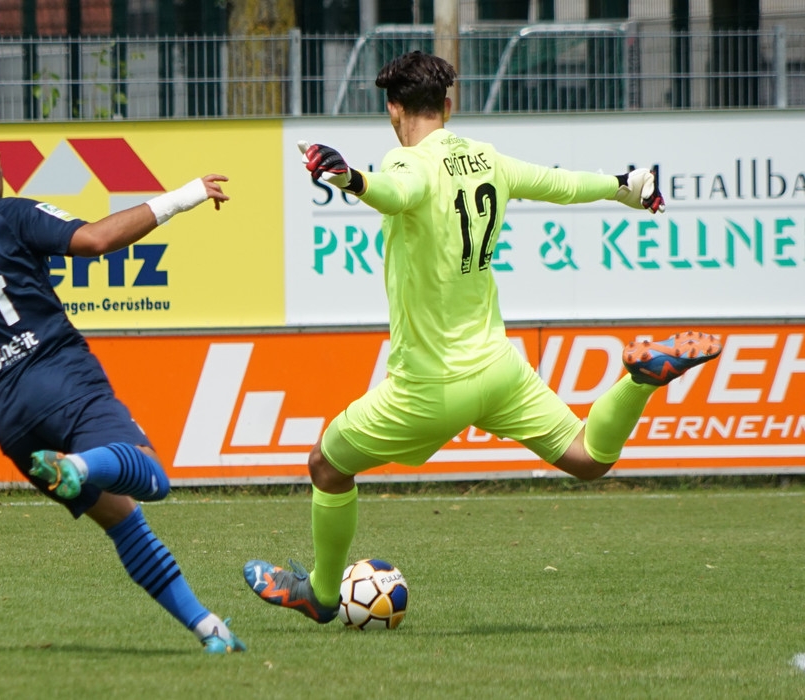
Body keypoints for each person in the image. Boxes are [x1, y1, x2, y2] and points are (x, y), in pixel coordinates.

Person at [243, 51, 722, 623]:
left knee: (326, 464)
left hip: (429, 385)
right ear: (449, 105)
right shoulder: (485, 159)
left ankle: (321, 595)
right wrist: (626, 185)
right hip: (498, 369)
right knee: (590, 456)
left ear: (394, 109)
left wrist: (348, 177)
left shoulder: (408, 162)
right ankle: (640, 380)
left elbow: (392, 191)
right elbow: (559, 183)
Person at [0, 123, 246, 654]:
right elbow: (96, 239)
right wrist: (186, 195)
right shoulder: (9, 215)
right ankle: (79, 465)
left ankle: (208, 630)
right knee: (151, 476)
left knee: (123, 522)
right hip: (60, 376)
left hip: (10, 418)